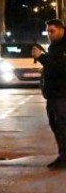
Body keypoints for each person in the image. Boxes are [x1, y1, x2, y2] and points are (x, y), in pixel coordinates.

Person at [31, 19, 66, 168]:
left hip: (62, 94)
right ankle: (63, 155)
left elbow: (60, 67)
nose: (49, 34)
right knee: (55, 124)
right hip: (53, 94)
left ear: (61, 29)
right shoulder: (55, 46)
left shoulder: (63, 47)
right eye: (47, 31)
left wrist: (41, 57)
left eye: (52, 31)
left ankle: (64, 159)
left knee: (62, 125)